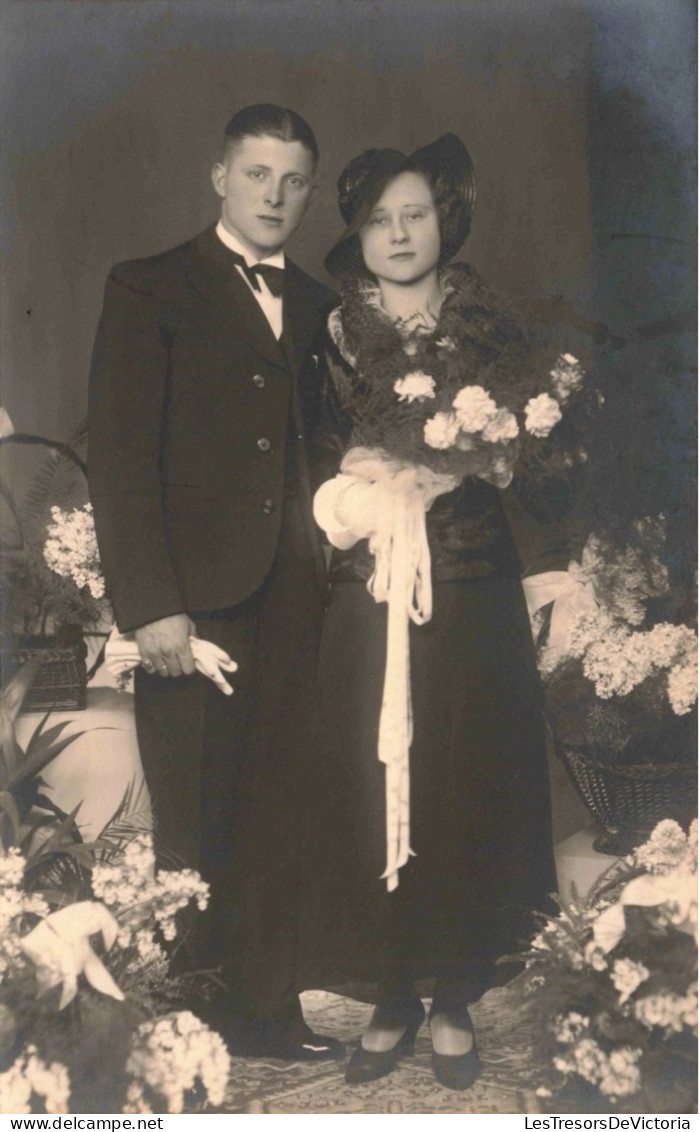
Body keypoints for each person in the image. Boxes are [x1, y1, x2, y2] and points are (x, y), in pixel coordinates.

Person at [300, 134, 569, 1090]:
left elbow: (533, 457)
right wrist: (359, 494)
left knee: (466, 774)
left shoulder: (490, 327)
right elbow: (309, 461)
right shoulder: (330, 336)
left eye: (415, 213)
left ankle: (453, 990)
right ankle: (389, 991)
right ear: (357, 235)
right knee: (373, 777)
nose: (399, 232)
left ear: (443, 220)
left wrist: (485, 455)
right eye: (379, 219)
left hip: (472, 585)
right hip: (373, 590)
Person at [88, 104, 344, 1062]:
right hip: (191, 603)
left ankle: (271, 1006)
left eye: (293, 181)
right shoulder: (151, 287)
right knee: (196, 813)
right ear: (219, 177)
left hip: (298, 598)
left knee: (281, 805)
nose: (275, 196)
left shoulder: (325, 306)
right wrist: (151, 604)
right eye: (257, 175)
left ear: (311, 193)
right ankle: (190, 1026)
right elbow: (119, 458)